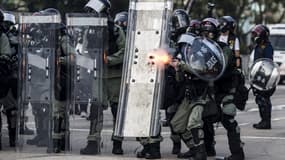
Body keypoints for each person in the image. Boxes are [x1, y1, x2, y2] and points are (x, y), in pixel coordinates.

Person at [80, 0, 126, 155]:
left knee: (116, 110)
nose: (92, 14)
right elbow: (85, 51)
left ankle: (117, 142)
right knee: (95, 109)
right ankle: (93, 141)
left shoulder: (116, 30)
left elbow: (124, 51)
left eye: (95, 11)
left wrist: (108, 60)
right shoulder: (90, 31)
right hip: (97, 75)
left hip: (114, 76)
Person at [201, 17, 245, 160]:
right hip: (213, 90)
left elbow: (222, 66)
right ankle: (209, 149)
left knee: (228, 119)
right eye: (204, 33)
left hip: (227, 89)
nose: (206, 36)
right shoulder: (203, 50)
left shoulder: (224, 49)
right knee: (206, 117)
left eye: (209, 33)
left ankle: (238, 154)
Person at [251, 24, 275, 129]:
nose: (255, 37)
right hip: (258, 75)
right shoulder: (258, 47)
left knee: (264, 99)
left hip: (265, 76)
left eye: (257, 35)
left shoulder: (268, 47)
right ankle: (263, 120)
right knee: (259, 98)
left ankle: (266, 122)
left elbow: (268, 62)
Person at [0, 9, 13, 150]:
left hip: (3, 77)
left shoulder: (2, 36)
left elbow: (6, 56)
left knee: (11, 109)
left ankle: (11, 139)